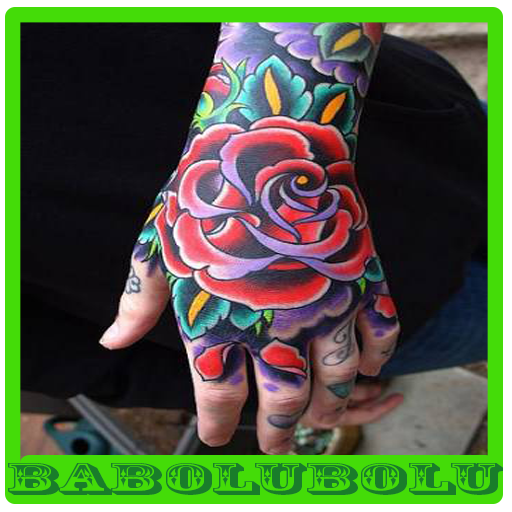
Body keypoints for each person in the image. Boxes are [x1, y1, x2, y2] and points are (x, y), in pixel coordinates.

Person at [21, 22, 487, 455]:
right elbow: (46, 354)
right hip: (342, 322)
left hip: (408, 121)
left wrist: (272, 119)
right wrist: (263, 392)